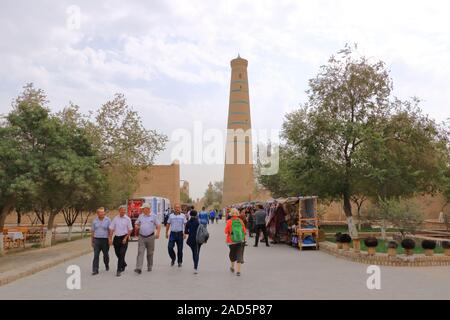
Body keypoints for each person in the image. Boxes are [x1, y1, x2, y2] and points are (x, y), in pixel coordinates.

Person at [134, 203, 161, 274]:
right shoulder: (140, 216)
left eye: (143, 208)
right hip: (141, 237)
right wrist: (136, 226)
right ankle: (138, 268)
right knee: (140, 252)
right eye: (142, 209)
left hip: (151, 237)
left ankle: (149, 266)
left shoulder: (154, 216)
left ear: (148, 209)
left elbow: (158, 225)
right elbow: (136, 223)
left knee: (150, 253)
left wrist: (158, 233)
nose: (142, 210)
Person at [109, 205, 133, 276]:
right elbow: (111, 229)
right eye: (122, 210)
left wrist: (126, 238)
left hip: (124, 238)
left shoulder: (128, 219)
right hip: (116, 238)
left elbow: (130, 229)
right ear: (119, 211)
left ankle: (119, 270)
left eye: (124, 210)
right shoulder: (115, 219)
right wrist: (110, 238)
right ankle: (124, 264)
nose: (123, 211)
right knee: (118, 254)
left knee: (122, 253)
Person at [224, 208, 246, 276]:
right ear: (237, 214)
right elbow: (244, 231)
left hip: (231, 241)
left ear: (231, 214)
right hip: (240, 240)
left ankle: (232, 267)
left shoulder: (229, 221)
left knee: (232, 253)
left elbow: (225, 231)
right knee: (239, 254)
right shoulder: (241, 221)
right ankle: (238, 271)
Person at [91, 207, 111, 275]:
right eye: (100, 212)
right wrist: (92, 241)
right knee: (96, 255)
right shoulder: (94, 221)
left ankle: (106, 264)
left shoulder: (108, 220)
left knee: (106, 255)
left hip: (105, 240)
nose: (102, 213)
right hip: (96, 240)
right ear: (97, 213)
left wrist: (110, 239)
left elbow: (110, 230)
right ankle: (95, 270)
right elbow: (93, 231)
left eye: (103, 212)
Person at [184, 210, 202, 274]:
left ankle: (195, 265)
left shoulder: (188, 222)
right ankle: (195, 267)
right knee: (196, 253)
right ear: (196, 214)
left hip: (190, 240)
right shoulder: (198, 222)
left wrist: (191, 232)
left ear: (190, 215)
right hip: (198, 240)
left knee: (194, 253)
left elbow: (186, 232)